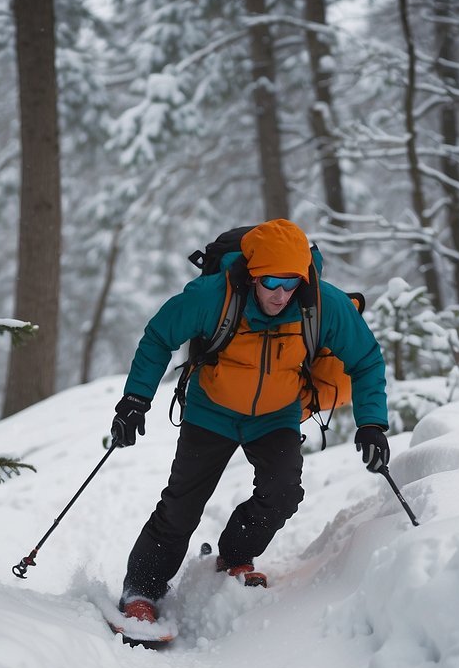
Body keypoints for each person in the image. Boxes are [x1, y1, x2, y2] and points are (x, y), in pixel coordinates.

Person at [109, 219, 390, 626]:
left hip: (276, 416)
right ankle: (142, 588)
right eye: (271, 281)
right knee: (182, 506)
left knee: (282, 493)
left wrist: (372, 425)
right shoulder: (212, 296)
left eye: (290, 283)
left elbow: (366, 360)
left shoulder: (323, 305)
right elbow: (158, 337)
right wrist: (135, 400)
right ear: (253, 273)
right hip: (212, 411)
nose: (280, 294)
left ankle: (236, 556)